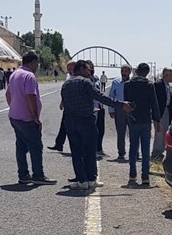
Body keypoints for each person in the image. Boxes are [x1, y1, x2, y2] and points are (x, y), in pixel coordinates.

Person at [60, 59, 120, 190]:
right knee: (90, 151)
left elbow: (66, 104)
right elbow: (100, 97)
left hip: (71, 123)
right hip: (86, 122)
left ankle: (82, 180)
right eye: (87, 69)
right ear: (81, 69)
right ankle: (91, 179)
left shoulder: (66, 84)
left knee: (76, 152)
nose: (89, 71)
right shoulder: (86, 82)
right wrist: (120, 104)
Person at [6, 51, 55, 186]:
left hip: (15, 116)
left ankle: (23, 175)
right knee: (35, 147)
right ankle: (38, 175)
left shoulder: (14, 74)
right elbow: (31, 96)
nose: (37, 66)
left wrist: (14, 107)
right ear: (32, 62)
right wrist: (35, 117)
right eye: (37, 63)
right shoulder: (29, 76)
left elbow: (8, 95)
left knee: (21, 146)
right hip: (27, 118)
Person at [124, 62, 160, 188]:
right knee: (146, 150)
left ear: (137, 71)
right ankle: (145, 177)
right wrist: (157, 121)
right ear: (147, 72)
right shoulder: (149, 85)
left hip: (133, 119)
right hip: (146, 119)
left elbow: (125, 102)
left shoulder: (128, 84)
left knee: (133, 147)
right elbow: (154, 103)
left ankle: (132, 174)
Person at [48, 61, 76, 152]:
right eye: (68, 69)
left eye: (71, 68)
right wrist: (62, 102)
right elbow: (65, 91)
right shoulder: (69, 76)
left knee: (73, 127)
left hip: (76, 106)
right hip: (68, 106)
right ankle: (59, 144)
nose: (69, 70)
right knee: (63, 125)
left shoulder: (79, 77)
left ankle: (76, 147)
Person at [108, 64, 131, 161]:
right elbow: (111, 97)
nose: (124, 73)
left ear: (130, 72)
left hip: (131, 110)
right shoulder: (116, 82)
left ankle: (134, 152)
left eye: (126, 71)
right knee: (120, 132)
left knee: (133, 133)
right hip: (119, 110)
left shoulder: (133, 83)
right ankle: (121, 152)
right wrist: (111, 110)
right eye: (122, 71)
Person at [151, 67, 172, 160]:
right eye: (171, 75)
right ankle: (156, 152)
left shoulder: (168, 85)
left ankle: (160, 151)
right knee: (159, 132)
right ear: (166, 75)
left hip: (166, 110)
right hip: (160, 111)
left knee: (164, 131)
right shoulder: (158, 85)